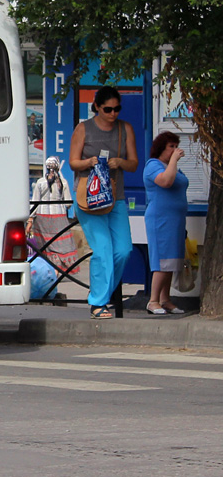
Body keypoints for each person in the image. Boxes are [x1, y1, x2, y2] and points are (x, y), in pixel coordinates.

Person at [68, 85, 138, 319]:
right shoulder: (83, 129)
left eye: (117, 109)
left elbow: (134, 163)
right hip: (88, 198)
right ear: (97, 107)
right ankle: (98, 303)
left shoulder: (124, 129)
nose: (113, 114)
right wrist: (90, 162)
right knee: (103, 250)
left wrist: (120, 162)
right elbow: (73, 163)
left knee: (124, 250)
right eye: (108, 109)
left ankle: (102, 296)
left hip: (115, 197)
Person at [142, 131, 188, 315]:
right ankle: (153, 301)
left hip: (175, 220)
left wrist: (174, 162)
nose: (175, 150)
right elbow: (166, 181)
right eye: (171, 146)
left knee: (172, 260)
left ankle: (165, 299)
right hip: (160, 219)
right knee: (161, 261)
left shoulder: (173, 167)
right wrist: (175, 161)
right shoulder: (153, 165)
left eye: (177, 146)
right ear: (162, 147)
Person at [26, 156, 77, 272]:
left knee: (45, 245)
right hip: (59, 217)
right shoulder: (63, 183)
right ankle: (57, 270)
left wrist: (30, 220)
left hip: (42, 218)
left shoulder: (40, 182)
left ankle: (48, 268)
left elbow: (34, 203)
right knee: (59, 244)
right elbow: (68, 203)